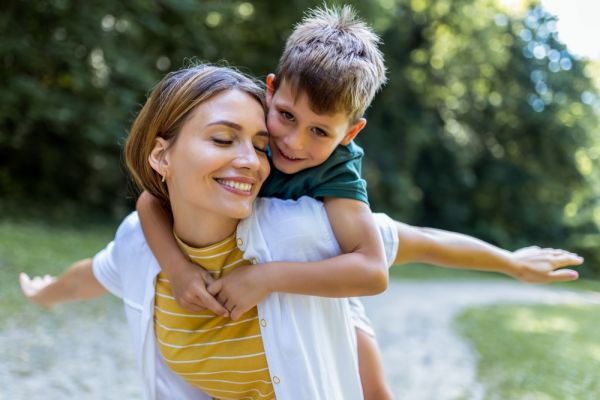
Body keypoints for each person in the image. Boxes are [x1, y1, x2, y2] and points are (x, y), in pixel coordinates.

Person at [133, 5, 583, 400]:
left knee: (372, 390)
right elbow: (151, 201)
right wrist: (177, 268)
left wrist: (265, 278)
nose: (291, 142)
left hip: (328, 282)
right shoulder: (251, 133)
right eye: (286, 116)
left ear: (349, 133)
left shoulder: (337, 171)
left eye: (320, 131)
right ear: (271, 90)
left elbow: (373, 267)